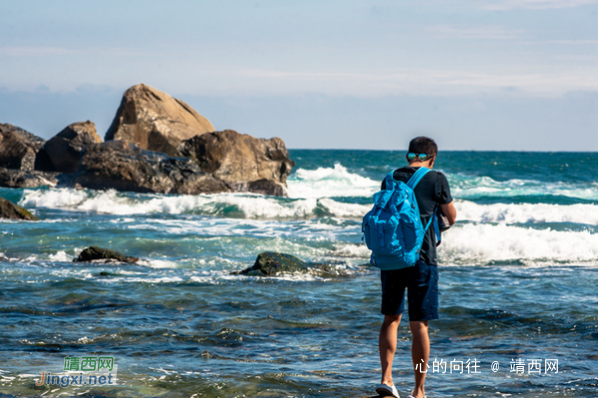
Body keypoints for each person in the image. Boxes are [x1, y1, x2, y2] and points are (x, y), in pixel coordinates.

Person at [375, 137, 456, 398]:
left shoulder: (390, 177)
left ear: (409, 155)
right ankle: (418, 391)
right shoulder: (436, 178)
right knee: (419, 325)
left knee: (391, 319)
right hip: (422, 258)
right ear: (432, 158)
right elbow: (451, 217)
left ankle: (387, 379)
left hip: (393, 257)